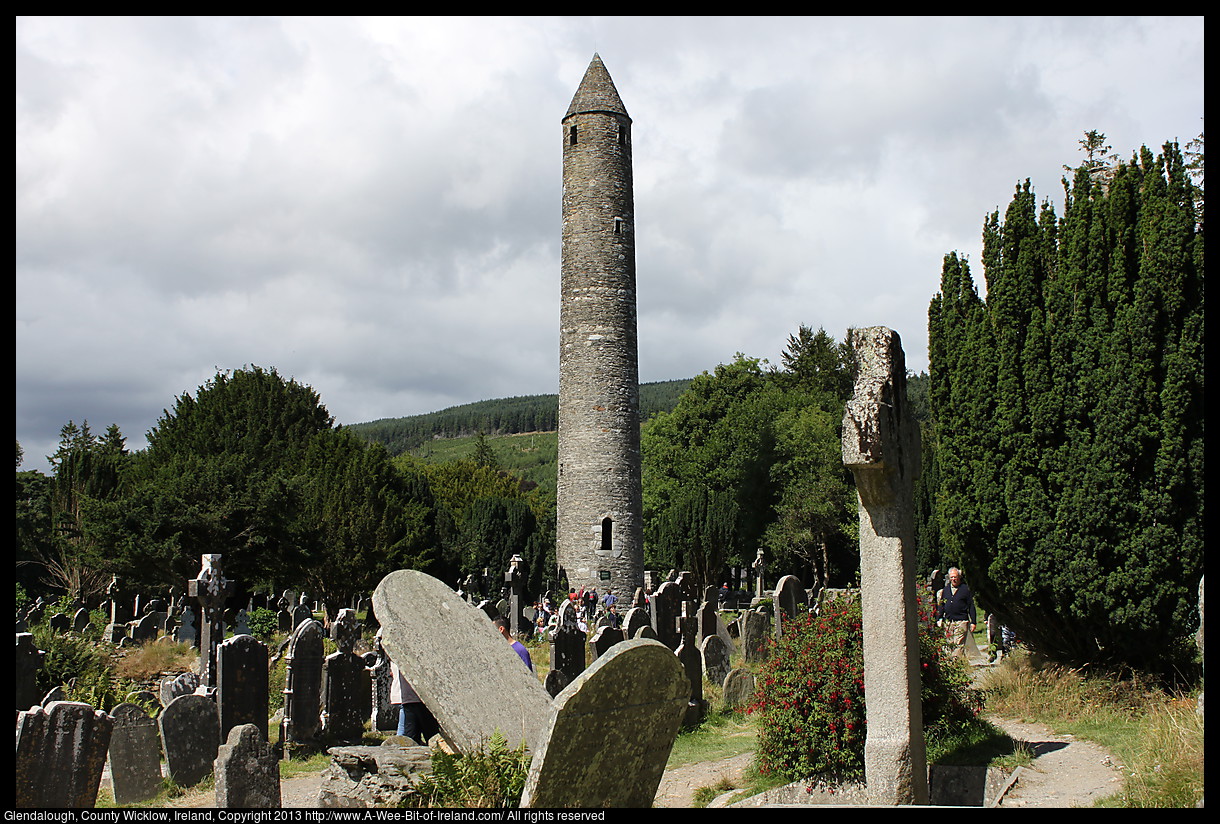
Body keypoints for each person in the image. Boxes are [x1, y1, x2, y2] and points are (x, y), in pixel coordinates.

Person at [935, 566, 976, 657]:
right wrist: (939, 618)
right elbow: (942, 605)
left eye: (955, 577)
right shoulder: (946, 590)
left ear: (959, 577)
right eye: (952, 577)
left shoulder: (965, 589)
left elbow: (971, 606)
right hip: (949, 622)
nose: (953, 579)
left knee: (959, 644)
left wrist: (973, 621)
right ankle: (951, 664)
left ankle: (955, 663)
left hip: (961, 621)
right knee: (949, 644)